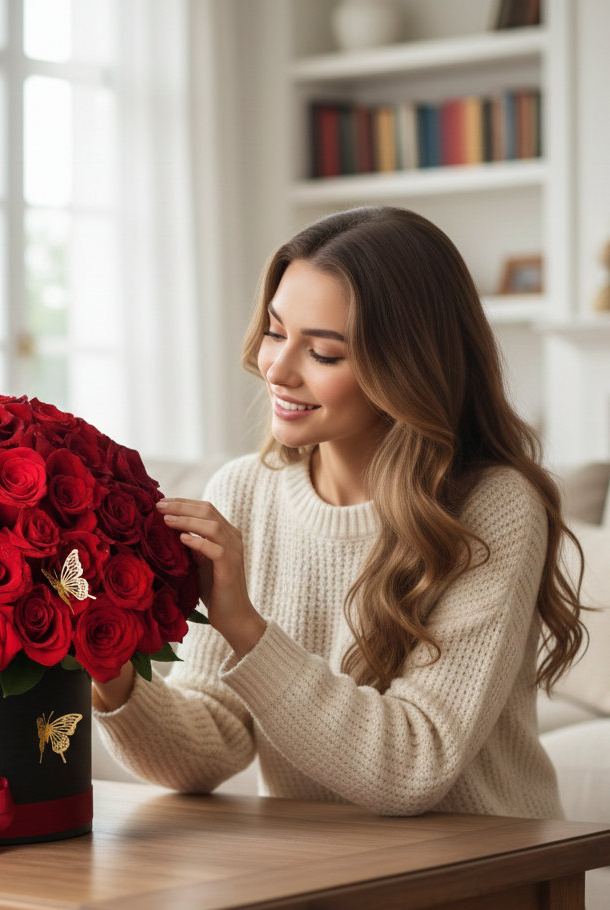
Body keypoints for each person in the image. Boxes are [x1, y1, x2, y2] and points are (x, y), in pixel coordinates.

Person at [92, 206, 586, 819]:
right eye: (276, 331)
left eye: (323, 353)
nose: (276, 367)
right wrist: (111, 670)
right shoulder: (244, 493)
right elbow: (212, 741)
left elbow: (416, 763)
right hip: (321, 873)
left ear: (408, 366)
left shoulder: (493, 507)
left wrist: (246, 628)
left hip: (485, 876)